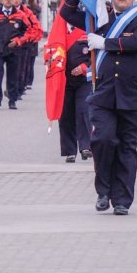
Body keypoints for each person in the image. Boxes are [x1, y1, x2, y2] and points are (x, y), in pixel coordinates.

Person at [60, 0, 137, 215]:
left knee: (126, 147)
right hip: (103, 94)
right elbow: (67, 12)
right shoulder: (99, 18)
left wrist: (107, 43)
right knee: (102, 141)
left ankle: (122, 199)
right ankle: (103, 190)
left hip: (132, 95)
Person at [46, 12, 93, 163]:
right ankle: (69, 151)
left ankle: (85, 146)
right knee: (65, 115)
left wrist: (85, 68)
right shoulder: (58, 33)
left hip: (83, 80)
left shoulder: (87, 29)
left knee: (83, 111)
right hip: (63, 81)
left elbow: (96, 56)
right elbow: (49, 56)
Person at [0, 0, 38, 109]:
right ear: (1, 0)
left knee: (13, 75)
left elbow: (29, 31)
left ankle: (12, 100)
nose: (9, 1)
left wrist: (19, 41)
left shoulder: (20, 15)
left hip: (14, 49)